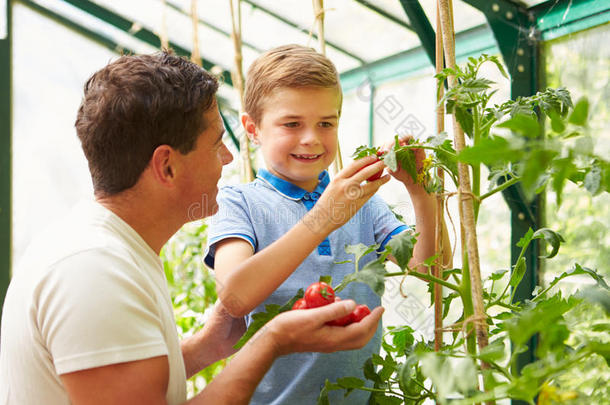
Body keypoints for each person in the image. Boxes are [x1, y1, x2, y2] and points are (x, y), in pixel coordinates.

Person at [0, 52, 387, 405]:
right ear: (167, 166)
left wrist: (207, 346)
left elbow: (139, 385)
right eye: (216, 142)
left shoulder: (109, 250)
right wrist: (271, 341)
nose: (228, 156)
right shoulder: (93, 272)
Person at [204, 44, 451, 404]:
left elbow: (433, 268)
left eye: (326, 123)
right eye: (292, 124)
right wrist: (323, 218)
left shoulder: (362, 202)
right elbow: (236, 295)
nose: (311, 138)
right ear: (252, 129)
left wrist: (421, 190)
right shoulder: (238, 202)